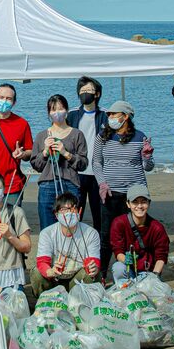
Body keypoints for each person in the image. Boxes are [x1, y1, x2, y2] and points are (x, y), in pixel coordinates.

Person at [92, 100, 154, 275]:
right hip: (110, 193)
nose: (110, 117)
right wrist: (101, 183)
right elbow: (96, 161)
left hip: (134, 195)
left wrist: (147, 156)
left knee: (134, 234)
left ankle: (136, 270)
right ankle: (101, 273)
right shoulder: (102, 136)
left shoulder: (140, 137)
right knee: (106, 235)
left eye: (114, 114)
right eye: (109, 114)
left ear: (125, 116)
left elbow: (147, 167)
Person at [31, 94, 88, 229]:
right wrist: (45, 151)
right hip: (47, 184)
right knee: (47, 226)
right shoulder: (42, 135)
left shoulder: (76, 134)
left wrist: (66, 153)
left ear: (67, 110)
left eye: (61, 109)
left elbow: (83, 164)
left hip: (70, 184)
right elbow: (36, 165)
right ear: (49, 113)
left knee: (70, 225)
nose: (57, 113)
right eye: (53, 109)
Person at [31, 192, 100, 294]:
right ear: (56, 214)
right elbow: (42, 262)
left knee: (91, 274)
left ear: (79, 211)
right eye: (64, 210)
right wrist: (51, 271)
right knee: (37, 273)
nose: (69, 213)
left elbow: (94, 261)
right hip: (54, 280)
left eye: (73, 208)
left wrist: (94, 269)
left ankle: (80, 301)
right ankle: (45, 303)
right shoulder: (47, 233)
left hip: (76, 280)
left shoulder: (91, 233)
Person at [67, 76, 108, 232]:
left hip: (99, 173)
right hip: (77, 172)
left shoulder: (106, 115)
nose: (84, 94)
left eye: (88, 90)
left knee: (100, 214)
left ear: (96, 94)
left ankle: (100, 250)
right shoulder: (72, 115)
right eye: (81, 91)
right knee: (75, 212)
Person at [108, 184, 169, 283]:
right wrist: (125, 260)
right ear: (128, 204)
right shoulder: (119, 223)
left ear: (149, 203)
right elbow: (117, 250)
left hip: (148, 272)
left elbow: (161, 256)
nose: (139, 206)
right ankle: (124, 291)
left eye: (143, 202)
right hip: (127, 269)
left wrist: (155, 276)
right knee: (118, 267)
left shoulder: (157, 227)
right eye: (135, 202)